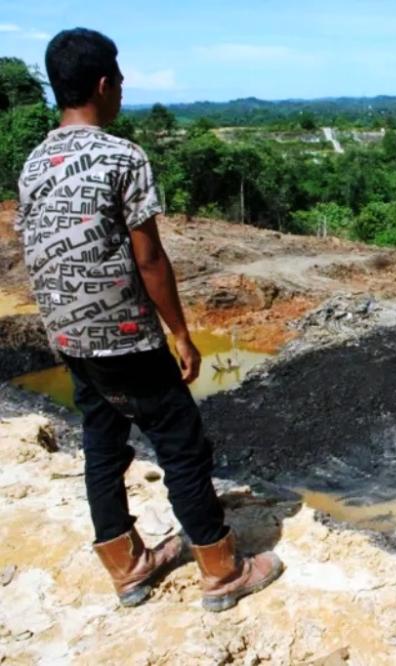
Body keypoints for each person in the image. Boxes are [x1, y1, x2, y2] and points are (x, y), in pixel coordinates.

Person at [14, 27, 282, 611]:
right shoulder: (122, 156)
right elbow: (150, 258)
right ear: (103, 84)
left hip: (69, 335)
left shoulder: (34, 163)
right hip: (126, 336)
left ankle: (127, 567)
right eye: (119, 78)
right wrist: (181, 333)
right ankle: (222, 569)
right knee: (181, 445)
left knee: (102, 444)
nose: (122, 87)